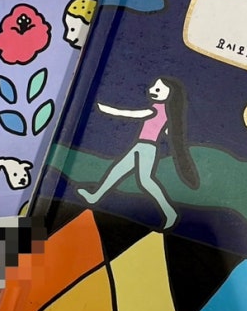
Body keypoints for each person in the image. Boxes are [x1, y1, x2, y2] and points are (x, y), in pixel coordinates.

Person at [77, 77, 199, 230]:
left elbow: (132, 114)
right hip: (141, 146)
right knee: (118, 170)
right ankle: (95, 197)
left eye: (158, 89)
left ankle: (170, 212)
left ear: (169, 94)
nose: (152, 90)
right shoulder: (165, 112)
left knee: (145, 181)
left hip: (147, 148)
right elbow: (168, 131)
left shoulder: (155, 110)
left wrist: (106, 109)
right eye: (154, 87)